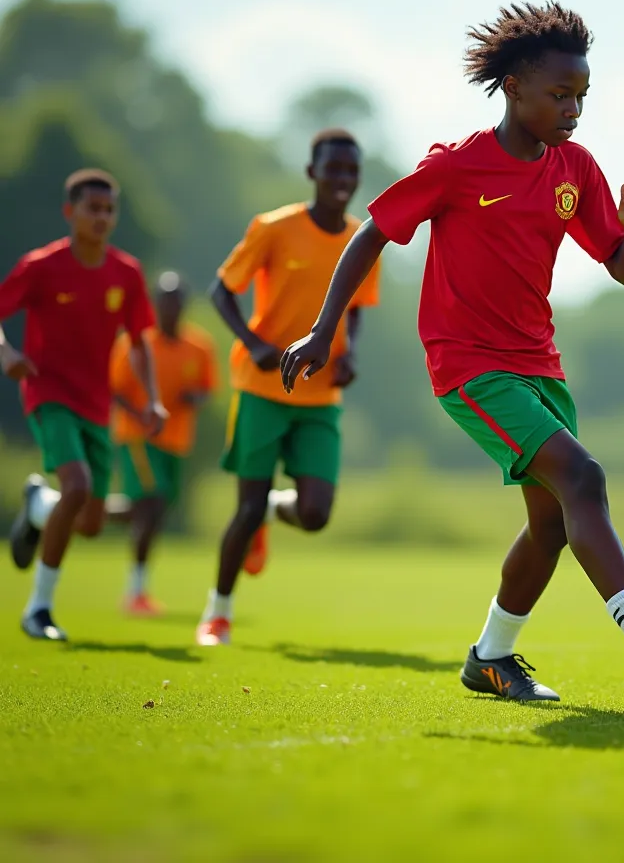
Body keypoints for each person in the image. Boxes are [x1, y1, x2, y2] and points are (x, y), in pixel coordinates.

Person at [281, 1, 624, 706]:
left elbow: (622, 267)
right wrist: (322, 328)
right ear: (514, 87)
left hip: (541, 366)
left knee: (550, 526)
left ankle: (489, 658)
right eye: (560, 94)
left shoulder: (575, 167)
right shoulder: (457, 166)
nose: (573, 110)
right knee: (583, 478)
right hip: (469, 366)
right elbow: (370, 234)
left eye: (582, 96)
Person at [195, 129, 380, 646]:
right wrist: (254, 343)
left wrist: (349, 354)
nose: (343, 179)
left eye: (351, 171)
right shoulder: (273, 228)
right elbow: (221, 290)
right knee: (246, 508)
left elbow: (357, 308)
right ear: (311, 172)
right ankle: (218, 613)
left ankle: (276, 511)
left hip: (320, 396)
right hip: (262, 387)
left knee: (316, 514)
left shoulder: (364, 238)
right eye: (333, 169)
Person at [0, 169, 164, 641]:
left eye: (109, 209)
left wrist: (152, 401)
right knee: (78, 486)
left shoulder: (126, 273)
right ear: (69, 212)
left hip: (96, 405)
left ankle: (38, 508)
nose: (102, 217)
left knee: (90, 522)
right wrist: (7, 354)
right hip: (48, 393)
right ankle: (38, 610)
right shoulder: (41, 266)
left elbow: (140, 342)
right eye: (93, 208)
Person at [108, 271, 217, 615]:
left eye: (176, 301)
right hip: (139, 436)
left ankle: (80, 509)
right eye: (165, 300)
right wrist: (141, 415)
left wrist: (194, 398)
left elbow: (207, 389)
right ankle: (135, 592)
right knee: (151, 504)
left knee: (150, 510)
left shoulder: (199, 346)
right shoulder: (136, 343)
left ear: (184, 304)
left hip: (175, 441)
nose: (171, 307)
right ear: (155, 303)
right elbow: (116, 390)